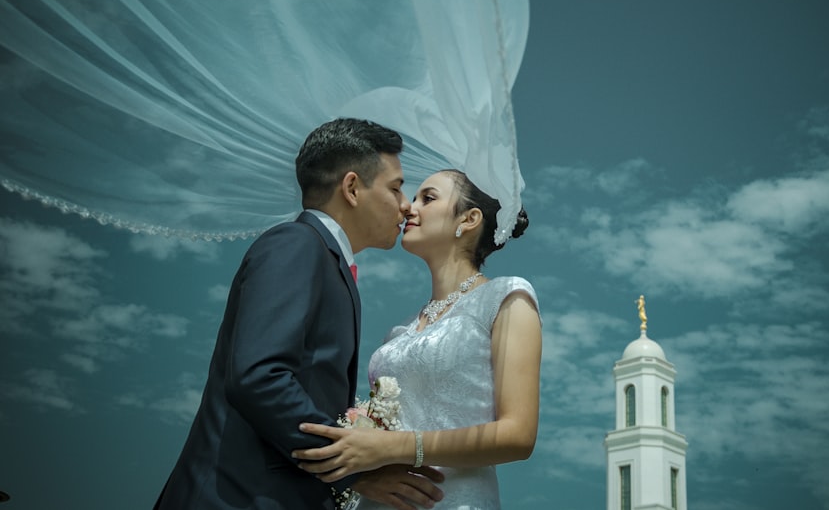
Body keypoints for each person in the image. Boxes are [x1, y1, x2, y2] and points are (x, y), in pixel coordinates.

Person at [154, 118, 444, 510]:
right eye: (395, 188)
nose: (405, 205)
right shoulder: (296, 244)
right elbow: (259, 377)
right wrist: (356, 466)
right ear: (353, 188)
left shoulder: (326, 260)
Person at [293, 169, 542, 510]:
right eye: (413, 197)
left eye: (428, 198)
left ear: (469, 219)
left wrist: (393, 448)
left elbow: (518, 435)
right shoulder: (399, 332)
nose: (409, 208)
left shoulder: (506, 297)